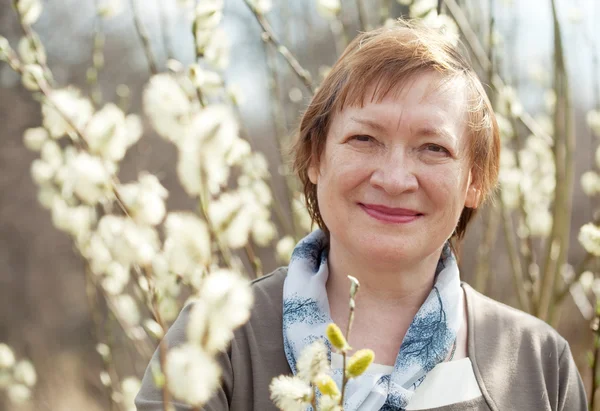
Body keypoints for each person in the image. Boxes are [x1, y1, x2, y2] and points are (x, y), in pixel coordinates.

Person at [136, 20, 587, 411]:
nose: (394, 179)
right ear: (315, 158)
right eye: (364, 139)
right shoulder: (219, 341)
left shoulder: (537, 362)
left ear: (474, 181)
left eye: (433, 148)